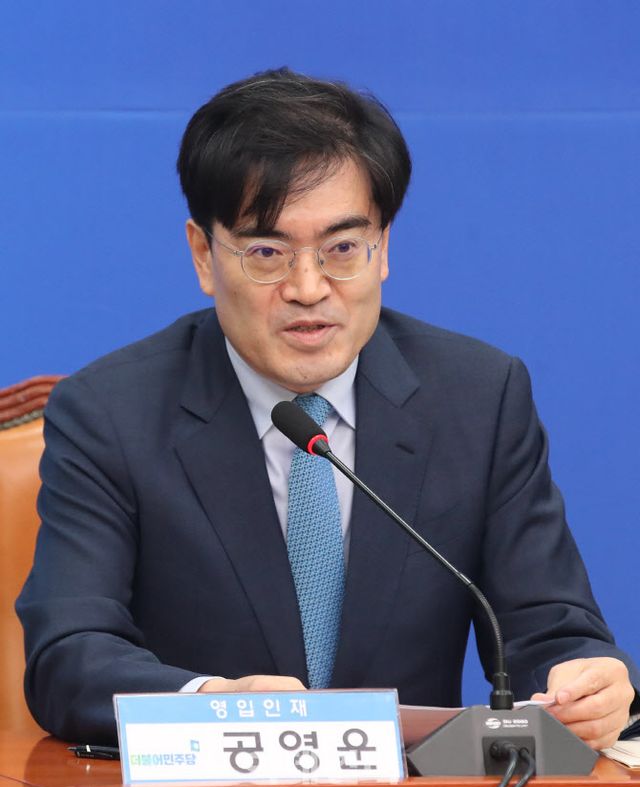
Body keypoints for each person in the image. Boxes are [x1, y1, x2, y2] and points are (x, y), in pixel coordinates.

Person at [17, 67, 639, 748]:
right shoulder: (110, 413)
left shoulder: (478, 398)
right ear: (202, 254)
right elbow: (69, 656)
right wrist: (213, 703)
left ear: (383, 249)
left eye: (342, 248)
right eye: (267, 252)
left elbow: (552, 632)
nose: (309, 288)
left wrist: (589, 683)